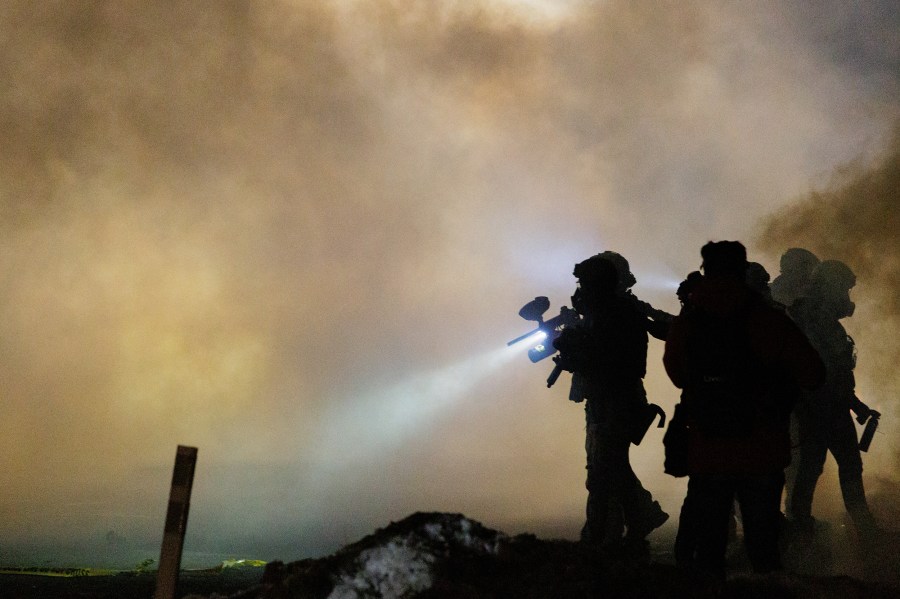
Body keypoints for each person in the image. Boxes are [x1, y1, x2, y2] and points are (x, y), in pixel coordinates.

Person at [663, 241, 825, 578]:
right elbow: (812, 374)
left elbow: (678, 375)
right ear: (743, 270)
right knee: (765, 551)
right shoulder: (770, 320)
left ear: (705, 270)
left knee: (709, 553)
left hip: (707, 450)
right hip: (762, 448)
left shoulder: (689, 322)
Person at [554, 254, 668, 557]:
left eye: (584, 283)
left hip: (615, 401)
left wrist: (573, 351)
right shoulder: (608, 313)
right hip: (607, 400)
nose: (579, 290)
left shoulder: (617, 314)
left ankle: (606, 537)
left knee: (605, 471)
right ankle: (629, 526)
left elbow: (610, 361)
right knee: (608, 468)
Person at [786, 260, 880, 544]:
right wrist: (846, 403)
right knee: (833, 467)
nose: (847, 298)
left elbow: (833, 372)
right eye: (844, 289)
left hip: (824, 405)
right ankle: (862, 532)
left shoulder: (815, 317)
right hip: (821, 407)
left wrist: (855, 405)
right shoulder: (812, 320)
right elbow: (824, 371)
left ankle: (803, 529)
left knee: (815, 468)